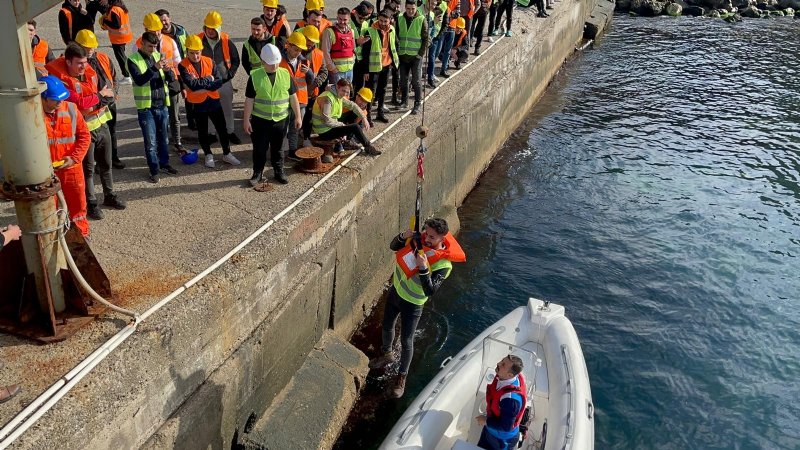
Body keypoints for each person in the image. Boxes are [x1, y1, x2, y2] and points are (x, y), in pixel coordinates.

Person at [368, 218, 466, 397]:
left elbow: (430, 290)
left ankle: (401, 378)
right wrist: (402, 236)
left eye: (432, 237)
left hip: (413, 304)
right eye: (426, 234)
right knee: (387, 325)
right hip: (396, 291)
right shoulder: (416, 240)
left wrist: (423, 268)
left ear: (442, 239)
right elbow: (393, 247)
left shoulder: (444, 265)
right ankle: (387, 354)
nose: (427, 239)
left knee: (406, 341)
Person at [46, 43, 125, 221]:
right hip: (83, 130)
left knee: (106, 164)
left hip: (101, 124)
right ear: (68, 62)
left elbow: (107, 93)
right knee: (87, 171)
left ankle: (110, 195)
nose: (84, 66)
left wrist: (95, 99)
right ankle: (92, 203)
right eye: (79, 63)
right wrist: (99, 96)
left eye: (85, 62)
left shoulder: (89, 71)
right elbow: (78, 103)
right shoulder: (60, 79)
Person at [39, 75, 92, 237]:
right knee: (50, 208)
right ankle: (55, 236)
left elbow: (84, 136)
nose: (60, 103)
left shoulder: (70, 109)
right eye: (56, 100)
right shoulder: (32, 117)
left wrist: (74, 158)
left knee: (78, 206)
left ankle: (81, 235)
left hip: (71, 169)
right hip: (47, 172)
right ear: (43, 98)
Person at [243, 44, 302, 186]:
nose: (274, 66)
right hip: (260, 121)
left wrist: (298, 116)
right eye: (270, 64)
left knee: (278, 148)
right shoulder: (255, 76)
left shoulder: (285, 74)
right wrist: (246, 120)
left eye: (276, 63)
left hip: (280, 120)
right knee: (259, 149)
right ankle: (257, 173)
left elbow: (293, 97)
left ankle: (278, 171)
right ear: (263, 62)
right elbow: (249, 100)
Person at [179, 35, 240, 169]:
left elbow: (218, 82)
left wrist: (201, 83)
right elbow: (191, 85)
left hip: (213, 101)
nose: (195, 56)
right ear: (187, 51)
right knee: (202, 130)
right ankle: (208, 154)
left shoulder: (209, 61)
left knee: (222, 128)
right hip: (197, 104)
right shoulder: (183, 65)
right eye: (192, 53)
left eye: (198, 53)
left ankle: (227, 153)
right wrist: (209, 79)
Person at [128, 31, 179, 183]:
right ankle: (154, 169)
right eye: (150, 46)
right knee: (151, 142)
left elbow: (166, 79)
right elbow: (140, 79)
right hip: (146, 107)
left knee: (163, 138)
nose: (153, 50)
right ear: (142, 43)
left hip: (162, 104)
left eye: (155, 47)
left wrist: (169, 72)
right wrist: (155, 68)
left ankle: (164, 164)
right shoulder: (132, 60)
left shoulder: (158, 55)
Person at [74, 30, 125, 170]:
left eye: (92, 46)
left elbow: (114, 78)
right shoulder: (78, 64)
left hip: (108, 104)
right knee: (94, 136)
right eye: (86, 47)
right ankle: (98, 163)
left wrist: (114, 93)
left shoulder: (104, 57)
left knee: (111, 132)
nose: (90, 49)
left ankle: (113, 158)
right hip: (93, 107)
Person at [138, 13, 184, 154]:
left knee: (174, 116)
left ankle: (177, 142)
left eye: (158, 30)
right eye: (153, 31)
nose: (157, 33)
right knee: (159, 119)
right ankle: (162, 142)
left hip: (170, 85)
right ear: (146, 29)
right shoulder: (138, 45)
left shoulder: (170, 41)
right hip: (153, 89)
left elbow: (179, 64)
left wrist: (181, 85)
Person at [199, 11, 242, 146]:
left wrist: (230, 74)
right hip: (206, 83)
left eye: (213, 29)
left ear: (218, 29)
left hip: (223, 82)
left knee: (227, 108)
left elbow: (235, 60)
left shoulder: (226, 41)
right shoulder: (198, 40)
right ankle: (212, 133)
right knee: (209, 109)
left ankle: (230, 131)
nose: (210, 31)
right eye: (208, 28)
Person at [311, 79, 381, 156]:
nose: (345, 94)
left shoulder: (337, 95)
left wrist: (364, 118)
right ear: (338, 87)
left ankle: (349, 143)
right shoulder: (327, 98)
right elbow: (326, 120)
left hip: (328, 127)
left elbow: (352, 105)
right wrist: (342, 125)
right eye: (343, 91)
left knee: (354, 124)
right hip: (323, 131)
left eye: (347, 92)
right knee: (355, 127)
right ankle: (368, 148)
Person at [475, 355, 527, 450]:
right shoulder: (505, 376)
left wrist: (485, 420)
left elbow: (506, 426)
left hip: (501, 440)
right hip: (491, 430)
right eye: (502, 361)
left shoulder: (510, 400)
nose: (498, 363)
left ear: (510, 375)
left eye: (503, 364)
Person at [280, 32, 315, 161]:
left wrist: (309, 73)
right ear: (288, 46)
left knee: (295, 128)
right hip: (284, 101)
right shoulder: (280, 61)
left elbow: (311, 81)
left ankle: (292, 151)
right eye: (295, 49)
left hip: (300, 101)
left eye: (300, 50)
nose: (297, 52)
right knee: (283, 128)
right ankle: (282, 152)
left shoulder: (304, 61)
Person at [362, 10, 398, 123]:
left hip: (386, 65)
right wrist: (366, 70)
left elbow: (394, 45)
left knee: (382, 90)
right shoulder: (370, 31)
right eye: (380, 20)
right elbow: (365, 53)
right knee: (370, 92)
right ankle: (367, 116)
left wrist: (393, 62)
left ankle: (380, 112)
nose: (382, 23)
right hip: (373, 68)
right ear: (378, 18)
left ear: (390, 20)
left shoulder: (392, 29)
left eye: (385, 21)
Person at [396, 0, 429, 115]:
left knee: (416, 81)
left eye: (413, 9)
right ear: (405, 7)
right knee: (403, 81)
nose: (410, 11)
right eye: (408, 8)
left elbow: (426, 39)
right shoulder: (399, 18)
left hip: (415, 57)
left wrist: (420, 54)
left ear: (416, 8)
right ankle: (404, 101)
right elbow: (396, 36)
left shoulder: (421, 19)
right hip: (403, 55)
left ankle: (417, 104)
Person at [322, 8, 359, 84]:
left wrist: (353, 62)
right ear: (337, 18)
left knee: (346, 93)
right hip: (336, 72)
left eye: (345, 20)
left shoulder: (351, 31)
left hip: (349, 70)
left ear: (349, 19)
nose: (342, 22)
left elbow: (353, 49)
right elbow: (325, 52)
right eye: (340, 19)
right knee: (337, 94)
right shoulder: (329, 31)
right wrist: (332, 68)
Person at [99, 0, 132, 84]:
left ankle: (127, 76)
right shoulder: (120, 7)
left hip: (118, 38)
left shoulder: (114, 9)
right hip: (124, 36)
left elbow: (116, 25)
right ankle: (128, 74)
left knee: (121, 57)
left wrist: (105, 21)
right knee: (122, 56)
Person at [350, 1, 375, 92]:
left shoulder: (365, 24)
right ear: (355, 13)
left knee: (360, 86)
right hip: (351, 59)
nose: (362, 20)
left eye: (364, 18)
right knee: (350, 86)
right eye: (360, 18)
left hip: (361, 60)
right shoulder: (348, 23)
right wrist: (357, 42)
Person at [424, 0, 449, 88]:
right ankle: (427, 79)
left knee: (433, 57)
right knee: (427, 59)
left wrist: (439, 34)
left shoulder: (444, 5)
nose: (433, 5)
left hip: (436, 36)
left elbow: (445, 22)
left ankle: (429, 76)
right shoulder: (425, 4)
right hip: (425, 36)